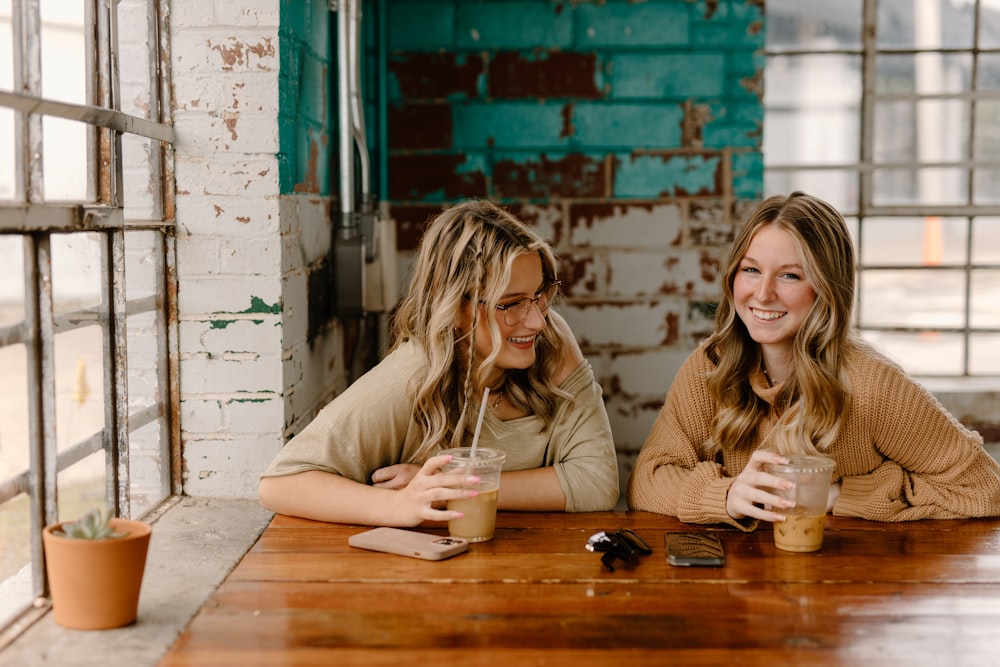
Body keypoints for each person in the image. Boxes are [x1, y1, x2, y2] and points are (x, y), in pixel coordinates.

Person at [627, 191, 1000, 529]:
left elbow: (984, 487)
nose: (763, 293)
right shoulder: (711, 365)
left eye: (789, 275)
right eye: (751, 269)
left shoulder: (872, 385)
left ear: (826, 288)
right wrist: (726, 495)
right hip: (738, 587)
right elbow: (646, 479)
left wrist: (839, 495)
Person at [260, 199, 619, 526]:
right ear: (456, 307)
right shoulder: (413, 374)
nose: (538, 321)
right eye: (510, 304)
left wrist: (455, 488)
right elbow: (281, 484)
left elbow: (598, 482)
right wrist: (397, 506)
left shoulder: (552, 341)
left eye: (540, 295)